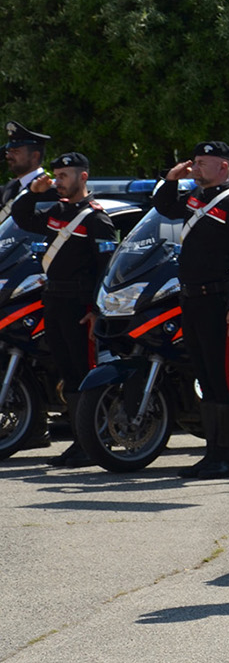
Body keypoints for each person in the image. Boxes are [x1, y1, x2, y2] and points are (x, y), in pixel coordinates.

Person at [152, 141, 229, 479]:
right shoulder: (195, 199)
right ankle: (212, 453)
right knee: (205, 377)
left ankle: (227, 457)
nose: (196, 167)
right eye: (196, 161)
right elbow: (164, 206)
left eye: (203, 162)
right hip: (193, 301)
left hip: (220, 304)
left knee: (223, 378)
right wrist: (172, 179)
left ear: (224, 167)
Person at [11, 152, 116, 467]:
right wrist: (33, 192)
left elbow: (106, 268)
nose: (58, 181)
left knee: (84, 375)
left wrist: (97, 308)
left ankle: (93, 441)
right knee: (68, 375)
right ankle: (79, 441)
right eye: (56, 175)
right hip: (53, 302)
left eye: (64, 175)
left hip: (79, 306)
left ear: (83, 177)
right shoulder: (56, 211)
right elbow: (21, 216)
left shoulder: (96, 218)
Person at [0, 122, 49, 214]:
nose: (8, 156)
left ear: (35, 156)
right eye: (8, 151)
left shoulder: (48, 189)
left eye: (15, 151)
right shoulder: (10, 187)